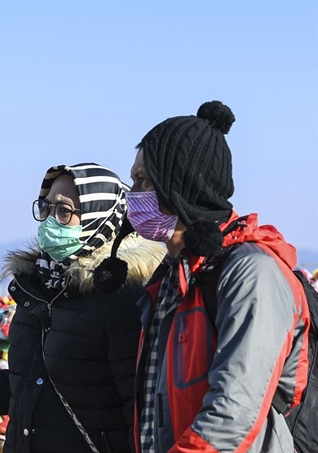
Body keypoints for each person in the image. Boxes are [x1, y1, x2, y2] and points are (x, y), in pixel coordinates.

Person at [0, 163, 165, 453]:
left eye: (64, 211)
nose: (50, 221)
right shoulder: (41, 288)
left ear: (101, 219)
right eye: (46, 208)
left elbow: (140, 413)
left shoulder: (122, 299)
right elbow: (26, 386)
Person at [94, 101, 311, 452]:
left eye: (142, 180)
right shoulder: (172, 277)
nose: (132, 194)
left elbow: (234, 413)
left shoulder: (250, 274)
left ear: (180, 187)